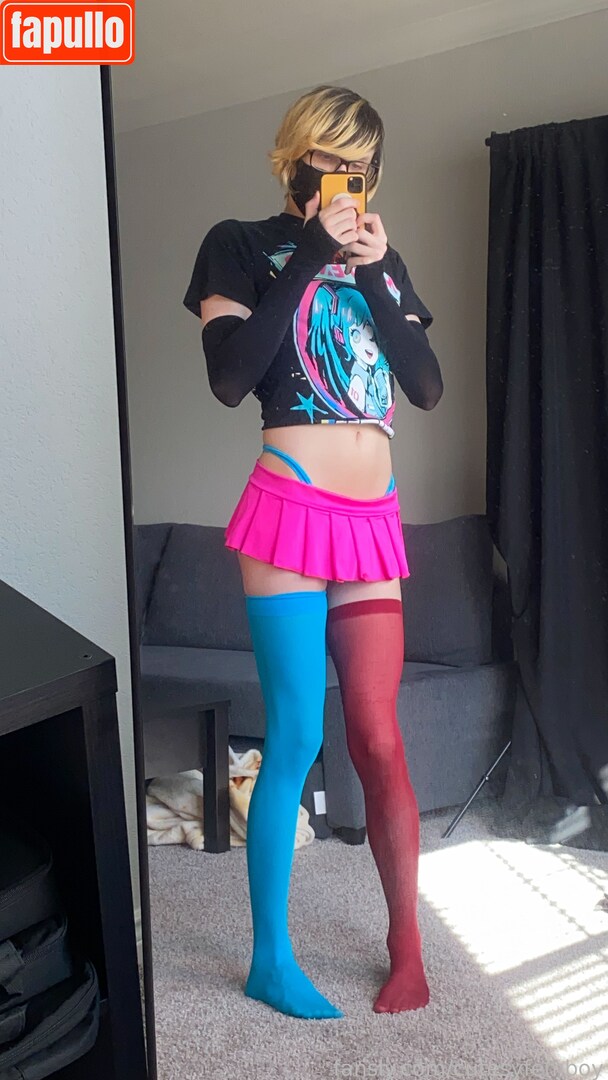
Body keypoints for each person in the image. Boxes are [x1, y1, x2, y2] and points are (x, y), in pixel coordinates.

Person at [183, 84, 443, 1020]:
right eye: (332, 158)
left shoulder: (383, 259)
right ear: (295, 155)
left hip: (371, 518)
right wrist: (309, 258)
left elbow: (425, 387)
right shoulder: (239, 244)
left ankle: (407, 948)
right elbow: (230, 377)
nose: (346, 176)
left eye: (361, 165)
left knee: (378, 735)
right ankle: (270, 960)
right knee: (296, 734)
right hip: (290, 505)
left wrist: (371, 272)